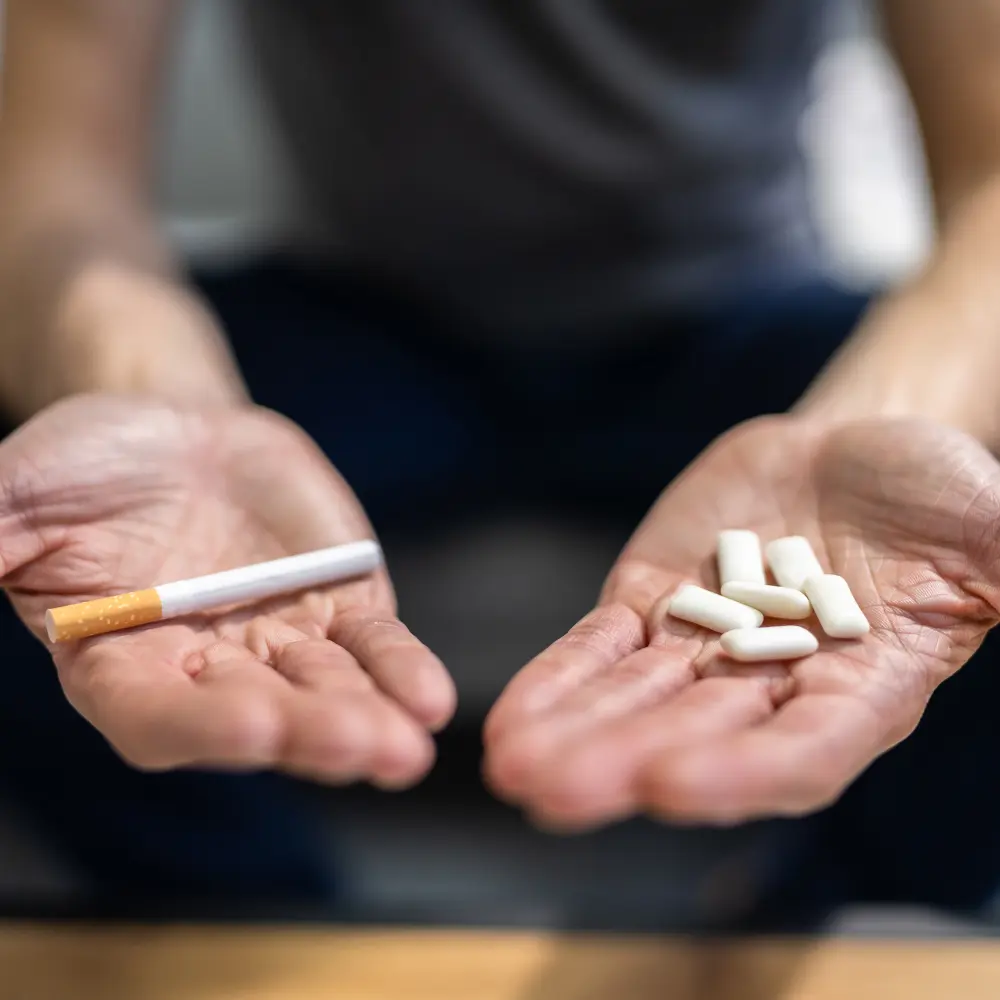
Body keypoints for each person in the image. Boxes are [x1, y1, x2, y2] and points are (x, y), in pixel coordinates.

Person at [2, 0, 1000, 920]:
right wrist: (153, 400)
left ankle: (816, 922)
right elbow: (53, 180)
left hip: (732, 315)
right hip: (369, 317)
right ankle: (265, 927)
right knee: (72, 507)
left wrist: (876, 417)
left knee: (949, 508)